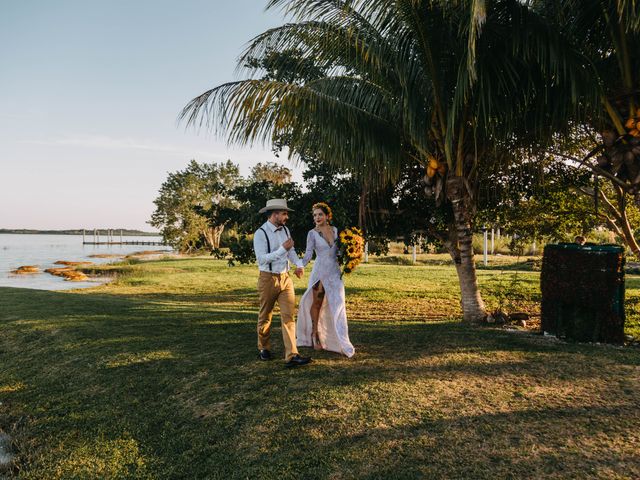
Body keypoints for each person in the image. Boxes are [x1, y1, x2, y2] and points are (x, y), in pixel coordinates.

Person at [253, 198, 311, 368]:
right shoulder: (260, 233)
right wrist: (281, 250)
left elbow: (291, 250)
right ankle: (263, 347)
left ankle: (292, 355)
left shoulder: (285, 229)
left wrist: (299, 265)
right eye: (284, 213)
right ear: (275, 214)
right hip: (267, 278)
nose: (287, 217)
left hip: (285, 279)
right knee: (265, 316)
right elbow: (262, 259)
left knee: (288, 316)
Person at [296, 202, 355, 357]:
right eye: (314, 215)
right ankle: (315, 334)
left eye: (320, 214)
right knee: (317, 303)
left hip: (334, 273)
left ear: (327, 216)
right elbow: (308, 254)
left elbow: (339, 253)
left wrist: (353, 255)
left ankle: (336, 338)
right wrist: (299, 265)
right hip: (320, 272)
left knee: (338, 303)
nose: (317, 217)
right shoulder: (312, 233)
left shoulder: (336, 231)